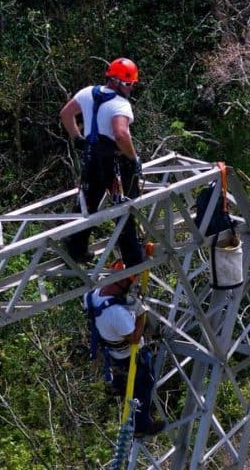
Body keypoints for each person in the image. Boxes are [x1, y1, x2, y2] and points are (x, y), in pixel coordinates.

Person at [60, 57, 144, 267]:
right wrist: (133, 158)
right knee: (123, 207)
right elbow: (121, 135)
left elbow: (66, 114)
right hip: (112, 163)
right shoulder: (120, 105)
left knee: (87, 204)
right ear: (120, 83)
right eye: (130, 85)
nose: (131, 89)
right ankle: (133, 257)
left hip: (91, 157)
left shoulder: (87, 92)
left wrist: (77, 138)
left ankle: (75, 250)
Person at [84, 267, 166, 437]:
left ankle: (121, 385)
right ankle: (141, 427)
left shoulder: (92, 295)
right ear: (121, 282)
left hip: (111, 349)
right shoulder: (116, 313)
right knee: (144, 386)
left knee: (132, 382)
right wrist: (140, 313)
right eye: (130, 283)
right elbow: (135, 338)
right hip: (129, 355)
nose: (132, 287)